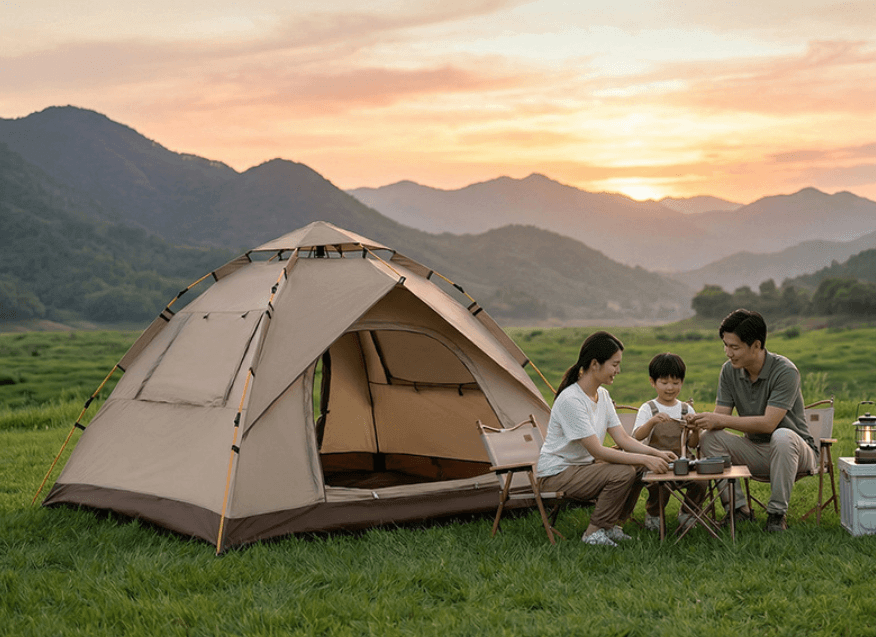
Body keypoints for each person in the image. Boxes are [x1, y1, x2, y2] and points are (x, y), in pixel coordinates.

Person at [536, 331, 676, 547]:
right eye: (614, 364)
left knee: (639, 468)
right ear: (595, 364)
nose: (618, 370)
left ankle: (612, 526)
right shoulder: (571, 400)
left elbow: (622, 438)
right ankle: (593, 532)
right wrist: (645, 459)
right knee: (623, 472)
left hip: (583, 469)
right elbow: (597, 451)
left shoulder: (602, 395)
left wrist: (657, 454)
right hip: (557, 474)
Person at [687, 309, 817, 532]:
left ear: (756, 345)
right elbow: (720, 420)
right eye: (725, 345)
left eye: (734, 347)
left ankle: (776, 515)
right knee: (710, 438)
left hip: (794, 453)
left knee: (782, 436)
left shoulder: (785, 371)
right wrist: (700, 422)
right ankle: (738, 510)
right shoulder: (729, 371)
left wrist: (718, 419)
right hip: (756, 451)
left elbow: (768, 424)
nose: (728, 353)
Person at [632, 352, 706, 532]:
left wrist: (695, 429)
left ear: (682, 382)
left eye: (675, 383)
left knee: (701, 482)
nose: (670, 388)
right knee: (660, 485)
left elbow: (693, 444)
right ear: (653, 382)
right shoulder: (649, 408)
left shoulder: (686, 409)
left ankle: (688, 513)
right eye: (664, 383)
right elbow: (637, 436)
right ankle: (654, 514)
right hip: (655, 462)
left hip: (683, 461)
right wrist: (652, 422)